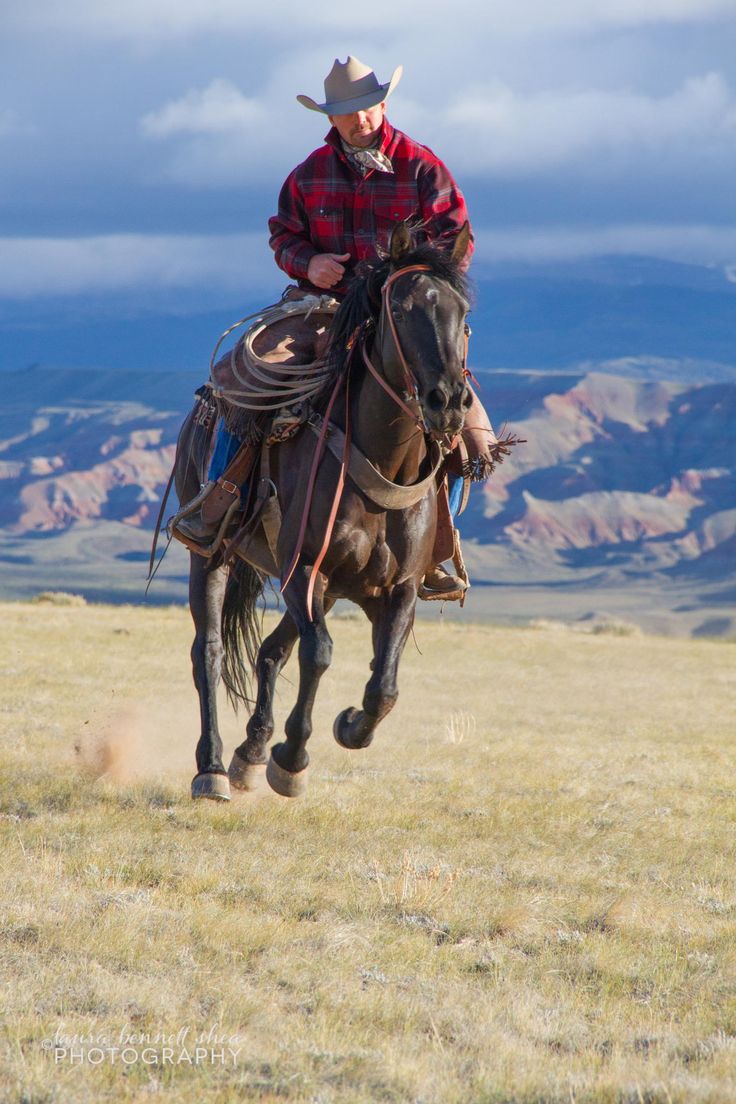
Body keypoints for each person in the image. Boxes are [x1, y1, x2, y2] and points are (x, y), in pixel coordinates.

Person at [177, 56, 491, 595]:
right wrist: (309, 264)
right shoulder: (309, 172)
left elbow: (455, 240)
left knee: (468, 432)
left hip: (401, 315)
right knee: (243, 380)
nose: (358, 120)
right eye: (346, 113)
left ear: (382, 105)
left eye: (365, 109)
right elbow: (283, 235)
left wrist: (411, 283)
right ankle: (220, 499)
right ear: (331, 117)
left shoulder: (422, 168)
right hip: (318, 309)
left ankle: (436, 544)